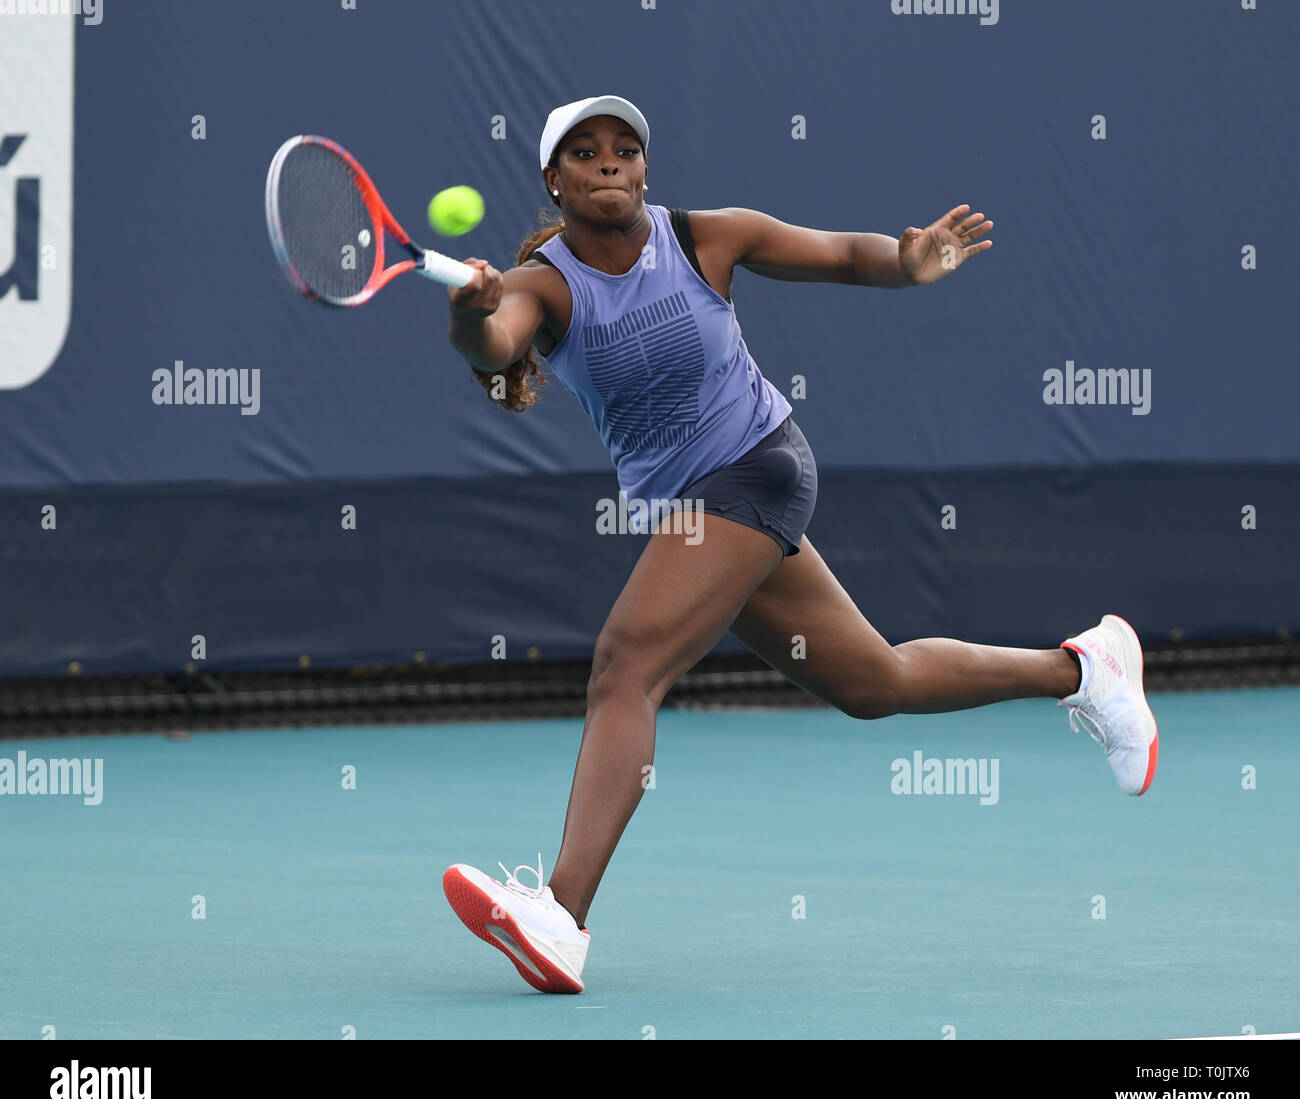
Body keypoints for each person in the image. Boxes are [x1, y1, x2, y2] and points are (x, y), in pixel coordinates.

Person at [441, 95, 1158, 994]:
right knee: (876, 684)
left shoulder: (709, 237)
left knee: (626, 667)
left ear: (646, 169)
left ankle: (561, 914)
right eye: (585, 154)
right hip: (698, 508)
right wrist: (472, 310)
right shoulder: (543, 284)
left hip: (756, 470)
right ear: (556, 180)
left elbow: (845, 256)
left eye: (626, 148)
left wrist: (908, 262)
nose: (610, 163)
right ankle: (1086, 668)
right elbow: (495, 339)